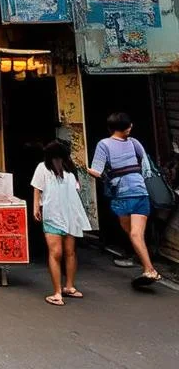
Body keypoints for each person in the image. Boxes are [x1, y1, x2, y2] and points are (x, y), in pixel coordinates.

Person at [89, 112, 161, 287]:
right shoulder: (135, 143)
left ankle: (150, 270)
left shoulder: (103, 144)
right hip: (140, 191)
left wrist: (80, 166)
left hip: (121, 194)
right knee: (136, 234)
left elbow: (96, 172)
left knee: (132, 233)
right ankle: (146, 265)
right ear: (128, 127)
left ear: (110, 128)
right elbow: (146, 166)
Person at [31, 141, 91, 306]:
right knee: (64, 252)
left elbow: (37, 189)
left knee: (60, 253)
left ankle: (63, 289)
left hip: (62, 215)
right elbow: (38, 188)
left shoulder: (64, 169)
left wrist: (36, 207)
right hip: (60, 215)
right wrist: (36, 207)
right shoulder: (50, 168)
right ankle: (63, 289)